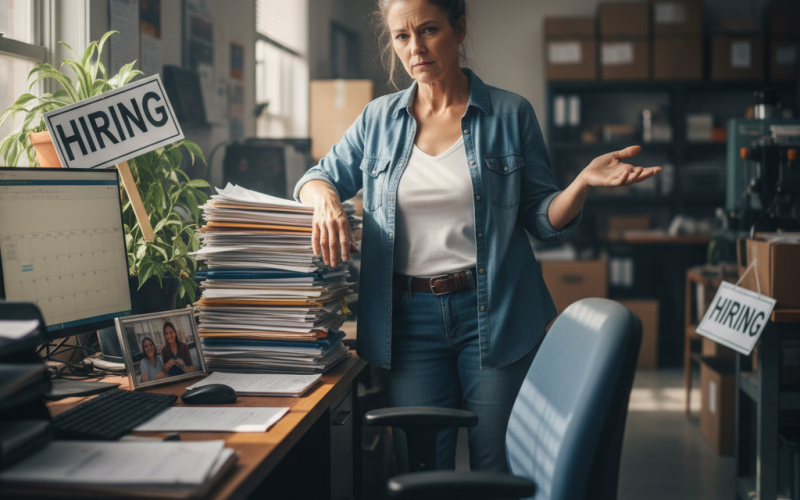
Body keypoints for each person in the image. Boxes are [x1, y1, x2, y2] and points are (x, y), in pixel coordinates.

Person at [294, 0, 660, 473]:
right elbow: (315, 177)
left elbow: (543, 219)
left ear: (459, 28)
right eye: (402, 36)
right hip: (409, 321)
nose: (415, 48)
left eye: (428, 30)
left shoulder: (510, 114)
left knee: (497, 463)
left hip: (497, 311)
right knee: (422, 467)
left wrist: (581, 184)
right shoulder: (377, 120)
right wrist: (324, 198)